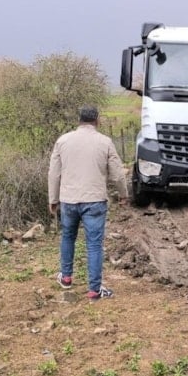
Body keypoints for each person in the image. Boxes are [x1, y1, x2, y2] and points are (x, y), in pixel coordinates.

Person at [48, 106, 128, 300]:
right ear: (97, 120)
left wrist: (53, 199)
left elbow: (54, 173)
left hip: (68, 199)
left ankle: (66, 277)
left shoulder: (63, 141)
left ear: (79, 119)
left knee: (68, 237)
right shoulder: (105, 142)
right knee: (94, 245)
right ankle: (94, 289)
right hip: (94, 200)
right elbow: (117, 174)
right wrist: (123, 194)